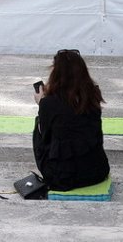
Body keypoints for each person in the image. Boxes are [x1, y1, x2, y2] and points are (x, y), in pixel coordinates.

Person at [31, 49, 110, 191]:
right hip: (98, 171)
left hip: (63, 179)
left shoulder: (49, 104)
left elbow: (45, 139)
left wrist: (41, 105)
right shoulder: (93, 95)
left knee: (38, 127)